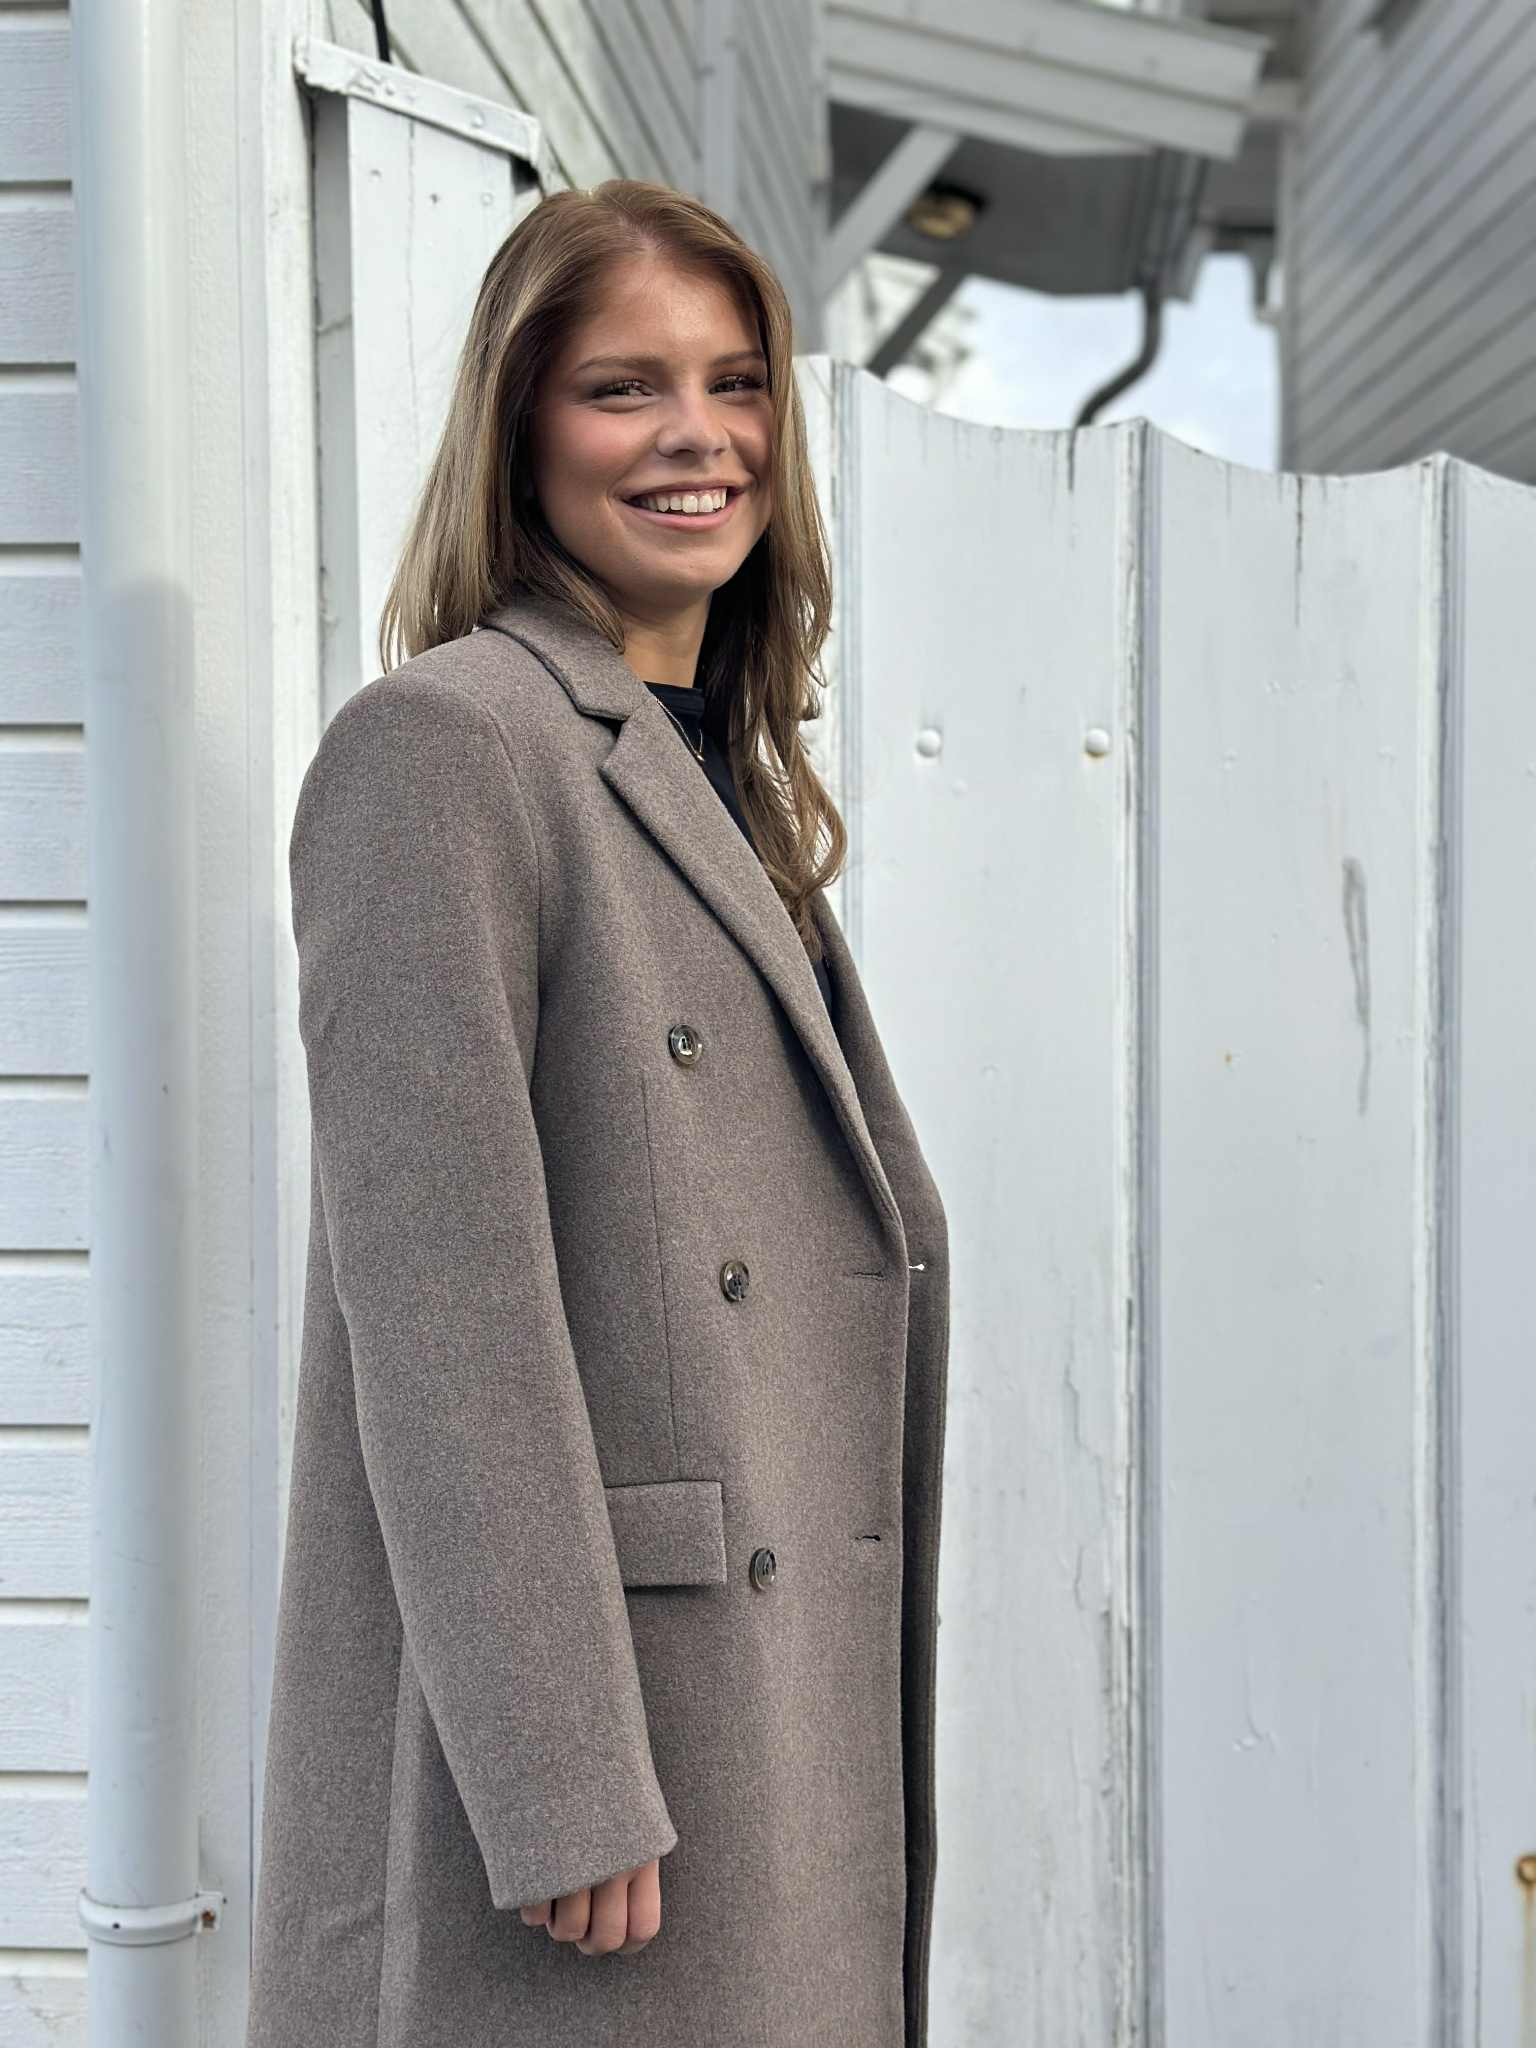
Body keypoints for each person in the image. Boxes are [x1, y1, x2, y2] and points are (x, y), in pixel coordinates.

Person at [246, 177, 950, 2048]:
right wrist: (558, 1776)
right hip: (607, 1758)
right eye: (625, 388)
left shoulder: (713, 774)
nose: (697, 436)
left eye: (736, 383)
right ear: (521, 428)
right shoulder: (448, 746)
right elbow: (441, 1298)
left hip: (758, 1707)